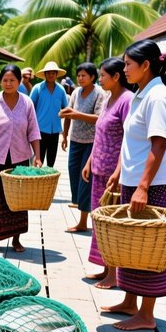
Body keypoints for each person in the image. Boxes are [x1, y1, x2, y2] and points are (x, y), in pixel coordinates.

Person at [102, 40, 166, 330]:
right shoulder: (141, 93)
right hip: (134, 179)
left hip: (154, 182)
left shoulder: (158, 96)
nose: (124, 69)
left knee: (151, 247)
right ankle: (130, 300)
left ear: (145, 65)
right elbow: (133, 141)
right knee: (132, 244)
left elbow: (158, 144)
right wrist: (119, 172)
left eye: (128, 65)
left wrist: (143, 187)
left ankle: (147, 315)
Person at [0, 64, 42, 253]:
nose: (8, 83)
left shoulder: (27, 103)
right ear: (0, 82)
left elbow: (34, 132)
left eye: (12, 80)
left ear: (20, 82)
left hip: (20, 158)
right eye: (5, 80)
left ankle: (16, 240)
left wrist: (37, 156)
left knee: (17, 201)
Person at [82, 57, 134, 289]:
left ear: (116, 77)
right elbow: (100, 133)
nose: (100, 78)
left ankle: (114, 275)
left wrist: (119, 171)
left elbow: (129, 139)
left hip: (115, 174)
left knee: (113, 223)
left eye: (103, 75)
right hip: (99, 169)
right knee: (100, 220)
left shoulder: (127, 100)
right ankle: (105, 268)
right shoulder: (107, 99)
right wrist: (90, 161)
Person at [59, 62, 105, 232]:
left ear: (92, 77)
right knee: (73, 174)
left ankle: (83, 221)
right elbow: (69, 114)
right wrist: (64, 135)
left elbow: (99, 118)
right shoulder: (76, 92)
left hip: (92, 142)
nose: (80, 78)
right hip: (75, 140)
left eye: (83, 75)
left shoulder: (99, 93)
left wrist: (76, 114)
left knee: (85, 179)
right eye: (78, 75)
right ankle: (79, 204)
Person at [30, 61, 69, 167]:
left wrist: (65, 135)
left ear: (56, 74)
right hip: (39, 130)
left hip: (55, 131)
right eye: (48, 72)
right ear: (45, 74)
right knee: (38, 161)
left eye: (53, 72)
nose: (51, 75)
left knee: (51, 161)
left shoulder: (61, 90)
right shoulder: (37, 89)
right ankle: (36, 182)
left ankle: (48, 183)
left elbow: (66, 109)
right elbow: (29, 108)